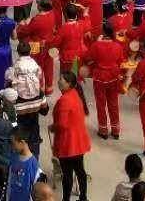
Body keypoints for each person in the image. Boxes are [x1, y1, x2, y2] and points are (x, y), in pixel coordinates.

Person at [50, 71, 90, 201]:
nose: (59, 81)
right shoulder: (75, 95)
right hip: (78, 140)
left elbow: (62, 124)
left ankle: (66, 199)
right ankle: (83, 197)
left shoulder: (64, 100)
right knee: (80, 171)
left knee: (67, 174)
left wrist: (53, 127)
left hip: (68, 142)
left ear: (69, 84)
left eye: (62, 79)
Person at [5, 130, 40, 201]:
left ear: (22, 142)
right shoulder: (13, 158)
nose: (12, 147)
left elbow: (36, 190)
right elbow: (9, 181)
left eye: (13, 144)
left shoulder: (33, 165)